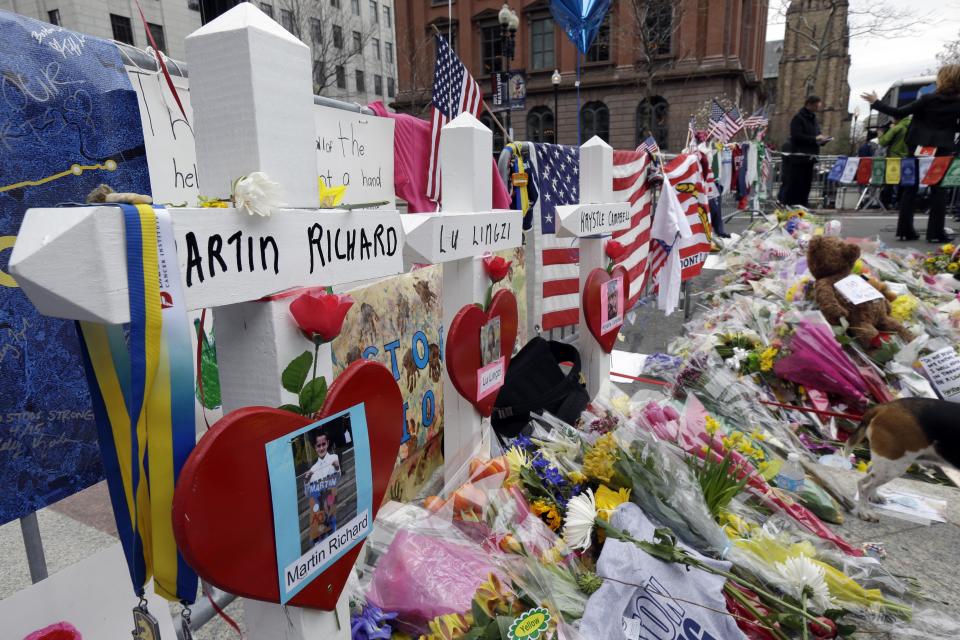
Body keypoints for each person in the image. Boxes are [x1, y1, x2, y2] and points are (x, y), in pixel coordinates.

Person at [862, 64, 960, 242]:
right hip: (942, 149)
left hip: (917, 147)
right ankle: (935, 233)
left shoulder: (927, 99)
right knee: (939, 191)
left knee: (910, 188)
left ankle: (905, 230)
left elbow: (899, 112)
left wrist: (876, 102)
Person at [781, 96, 831, 207]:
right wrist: (814, 139)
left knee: (806, 185)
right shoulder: (798, 118)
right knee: (795, 185)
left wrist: (822, 141)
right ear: (809, 104)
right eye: (816, 105)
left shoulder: (814, 119)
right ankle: (790, 206)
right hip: (799, 159)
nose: (818, 108)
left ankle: (803, 206)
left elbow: (816, 135)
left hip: (810, 158)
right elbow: (796, 136)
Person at [305, 431, 340, 546]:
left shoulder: (334, 458)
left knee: (332, 534)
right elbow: (308, 494)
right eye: (318, 446)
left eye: (323, 444)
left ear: (328, 443)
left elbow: (338, 477)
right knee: (321, 541)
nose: (321, 448)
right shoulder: (313, 469)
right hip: (320, 509)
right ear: (315, 448)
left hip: (331, 505)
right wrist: (306, 482)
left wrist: (337, 468)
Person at [877, 116, 912, 208]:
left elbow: (883, 141)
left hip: (894, 158)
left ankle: (886, 203)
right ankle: (901, 203)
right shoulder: (912, 126)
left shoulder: (897, 128)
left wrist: (881, 134)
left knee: (890, 180)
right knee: (904, 182)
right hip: (908, 158)